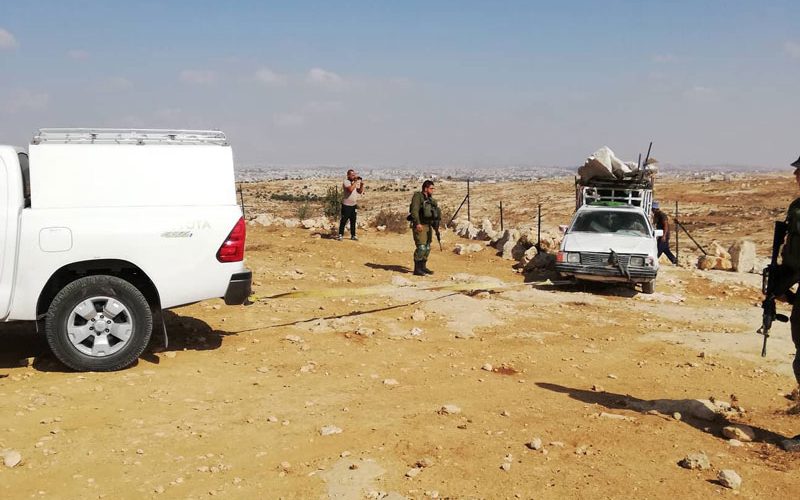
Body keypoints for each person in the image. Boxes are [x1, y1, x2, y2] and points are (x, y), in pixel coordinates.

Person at [408, 180, 439, 276]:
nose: (433, 190)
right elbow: (414, 210)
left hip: (428, 225)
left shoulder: (429, 199)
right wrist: (417, 223)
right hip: (420, 225)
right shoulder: (418, 197)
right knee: (421, 247)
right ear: (425, 188)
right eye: (431, 188)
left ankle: (423, 267)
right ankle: (417, 269)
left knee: (427, 247)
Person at [337, 169, 364, 241]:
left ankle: (353, 235)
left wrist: (361, 185)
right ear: (348, 175)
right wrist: (355, 182)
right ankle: (340, 235)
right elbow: (350, 189)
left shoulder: (353, 182)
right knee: (344, 220)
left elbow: (359, 191)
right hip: (346, 205)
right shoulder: (346, 182)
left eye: (354, 175)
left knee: (353, 220)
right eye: (352, 175)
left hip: (353, 205)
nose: (354, 176)